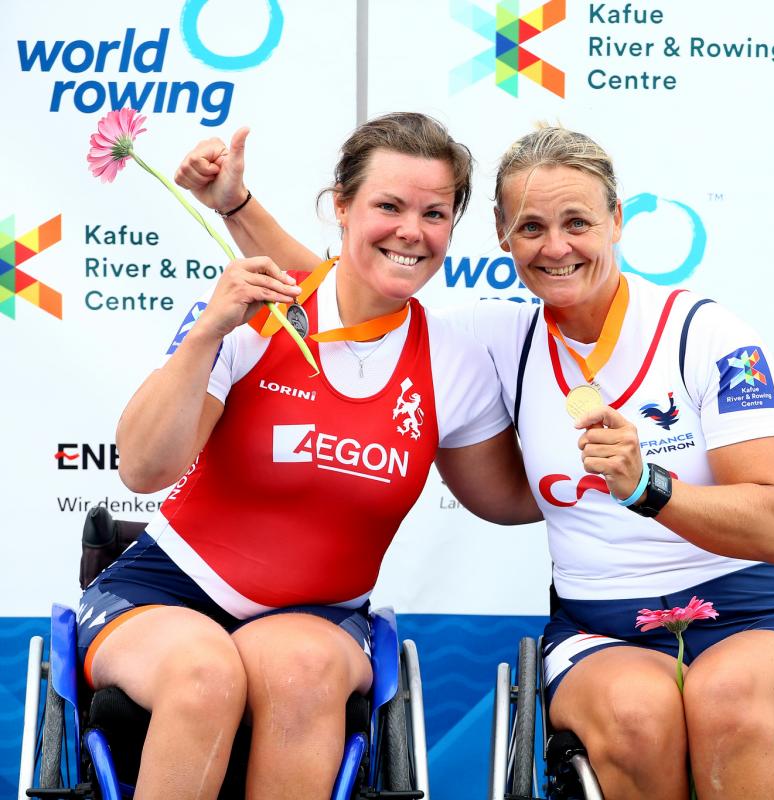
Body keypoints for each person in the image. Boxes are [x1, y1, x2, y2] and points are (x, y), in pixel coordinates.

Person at [177, 124, 774, 800]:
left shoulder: (709, 334)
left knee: (725, 701)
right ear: (501, 235)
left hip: (753, 610)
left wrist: (648, 486)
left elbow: (771, 526)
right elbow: (335, 286)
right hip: (603, 625)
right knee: (637, 720)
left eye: (577, 221)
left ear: (617, 221)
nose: (555, 247)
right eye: (531, 227)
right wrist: (235, 207)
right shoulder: (493, 341)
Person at [81, 112, 539, 800]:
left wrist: (636, 482)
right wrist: (208, 330)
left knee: (298, 669)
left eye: (434, 212)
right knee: (204, 674)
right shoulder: (258, 311)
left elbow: (504, 499)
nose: (411, 230)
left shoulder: (454, 361)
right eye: (388, 205)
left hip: (319, 618)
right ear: (342, 207)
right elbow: (144, 469)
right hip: (164, 594)